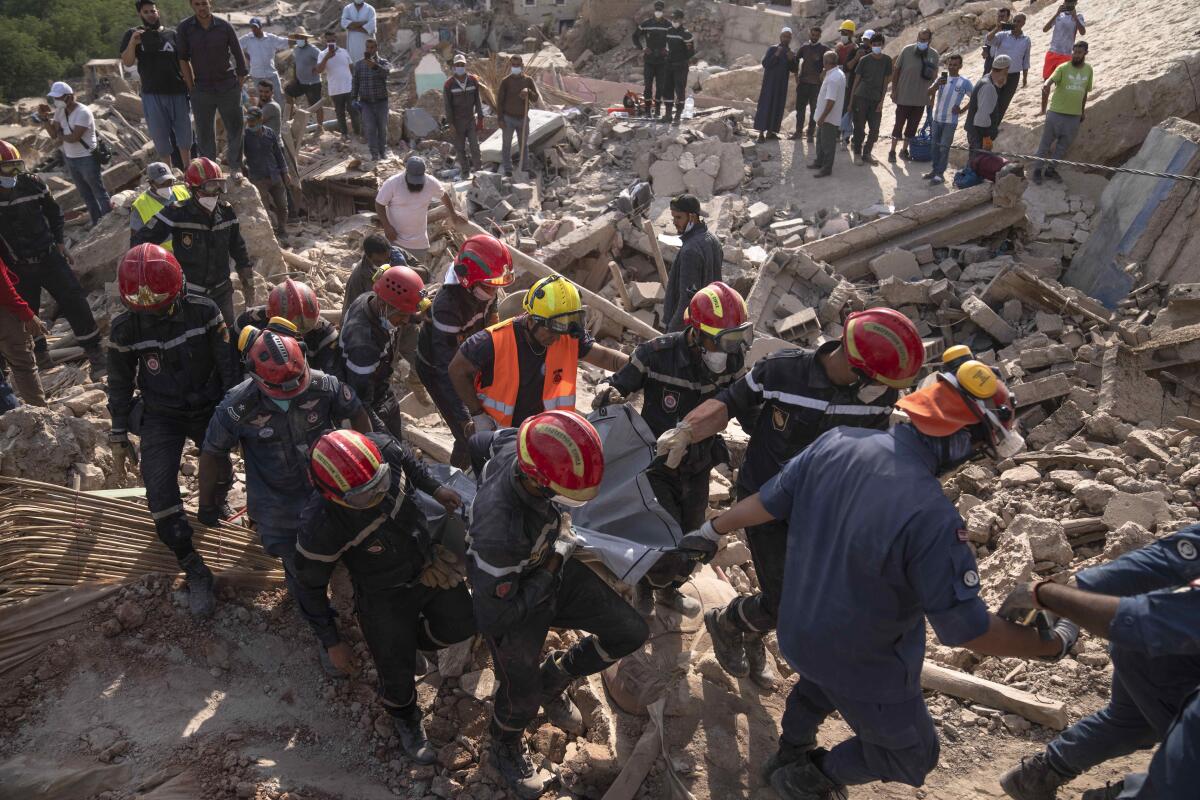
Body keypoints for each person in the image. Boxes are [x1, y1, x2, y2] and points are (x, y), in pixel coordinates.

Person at [675, 366, 1077, 799]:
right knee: (913, 756)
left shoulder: (837, 443)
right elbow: (967, 631)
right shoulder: (933, 519)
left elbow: (768, 502)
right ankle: (804, 778)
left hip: (798, 631)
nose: (974, 457)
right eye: (978, 447)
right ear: (958, 438)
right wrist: (1051, 645)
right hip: (865, 663)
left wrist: (712, 529)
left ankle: (790, 749)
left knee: (816, 687)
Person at [657, 308, 925, 690]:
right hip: (763, 498)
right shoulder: (782, 372)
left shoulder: (878, 395)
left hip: (820, 506)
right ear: (854, 361)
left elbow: (868, 454)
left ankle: (746, 628)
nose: (884, 391)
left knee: (812, 595)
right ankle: (731, 623)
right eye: (878, 381)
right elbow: (729, 403)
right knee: (786, 598)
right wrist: (687, 431)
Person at [466, 411, 649, 797]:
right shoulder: (499, 530)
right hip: (518, 600)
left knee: (629, 631)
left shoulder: (521, 443)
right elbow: (496, 617)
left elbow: (476, 441)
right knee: (520, 692)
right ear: (534, 479)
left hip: (549, 566)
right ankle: (503, 744)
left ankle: (557, 675)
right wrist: (552, 564)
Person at [294, 429, 474, 763]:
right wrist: (330, 640)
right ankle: (405, 717)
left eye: (381, 483)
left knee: (462, 623)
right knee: (394, 667)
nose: (379, 495)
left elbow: (410, 463)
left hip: (427, 566)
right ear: (332, 494)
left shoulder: (384, 449)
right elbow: (308, 586)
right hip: (382, 595)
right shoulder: (322, 527)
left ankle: (417, 640)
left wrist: (436, 488)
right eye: (364, 495)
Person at [198, 323, 371, 663]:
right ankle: (327, 639)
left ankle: (367, 618)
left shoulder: (325, 386)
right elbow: (211, 452)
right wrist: (209, 501)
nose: (293, 392)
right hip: (279, 507)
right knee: (302, 573)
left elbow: (359, 417)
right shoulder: (237, 407)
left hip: (330, 495)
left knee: (355, 558)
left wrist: (368, 463)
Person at [997, 525, 1200, 800]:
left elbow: (1143, 571)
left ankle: (1034, 776)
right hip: (1160, 645)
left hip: (1145, 647)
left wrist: (1049, 596)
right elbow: (1145, 588)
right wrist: (1052, 597)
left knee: (1132, 721)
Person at [596, 281, 750, 614]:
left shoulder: (733, 361)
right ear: (696, 331)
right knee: (659, 532)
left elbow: (743, 404)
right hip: (657, 463)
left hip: (698, 462)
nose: (729, 348)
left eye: (735, 338)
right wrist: (608, 391)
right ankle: (645, 589)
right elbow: (619, 386)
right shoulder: (655, 355)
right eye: (722, 340)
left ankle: (670, 590)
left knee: (693, 534)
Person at [106, 243, 238, 615]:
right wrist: (119, 432)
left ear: (177, 289)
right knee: (159, 493)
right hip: (161, 415)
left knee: (220, 468)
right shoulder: (125, 329)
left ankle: (215, 502)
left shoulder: (204, 311)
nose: (157, 314)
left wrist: (233, 415)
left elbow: (226, 364)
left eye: (162, 306)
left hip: (208, 406)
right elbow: (118, 382)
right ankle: (194, 568)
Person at [451, 275, 628, 435]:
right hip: (498, 437)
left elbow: (607, 358)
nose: (557, 338)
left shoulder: (567, 337)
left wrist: (639, 362)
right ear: (531, 320)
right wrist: (478, 415)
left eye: (562, 330)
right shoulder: (492, 341)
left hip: (545, 435)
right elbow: (457, 370)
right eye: (551, 331)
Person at [0, 140, 106, 375]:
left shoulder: (32, 184)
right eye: (8, 168)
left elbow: (54, 212)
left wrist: (59, 242)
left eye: (18, 167)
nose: (14, 174)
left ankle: (95, 353)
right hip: (18, 266)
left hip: (49, 257)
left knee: (75, 301)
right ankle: (41, 358)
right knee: (28, 314)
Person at [415, 234, 510, 469]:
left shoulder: (484, 287)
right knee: (467, 434)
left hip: (467, 353)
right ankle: (460, 473)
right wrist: (466, 416)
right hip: (437, 367)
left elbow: (491, 311)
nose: (493, 291)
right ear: (469, 282)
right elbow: (448, 371)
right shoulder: (448, 307)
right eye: (489, 286)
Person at [133, 157, 254, 327]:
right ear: (193, 188)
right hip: (191, 294)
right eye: (210, 186)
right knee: (196, 342)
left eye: (220, 186)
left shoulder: (226, 213)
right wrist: (156, 276)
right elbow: (140, 241)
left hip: (222, 292)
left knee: (228, 339)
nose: (215, 193)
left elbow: (238, 249)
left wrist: (248, 282)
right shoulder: (177, 213)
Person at [339, 264, 426, 438]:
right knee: (387, 448)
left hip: (381, 386)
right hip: (368, 395)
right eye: (401, 316)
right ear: (383, 305)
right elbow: (361, 403)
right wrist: (381, 438)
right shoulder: (363, 342)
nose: (405, 321)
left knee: (395, 436)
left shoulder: (370, 299)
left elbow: (405, 314)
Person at [120, 0, 192, 170]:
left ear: (157, 12)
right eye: (146, 12)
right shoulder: (134, 34)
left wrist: (191, 86)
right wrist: (132, 43)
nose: (150, 15)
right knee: (160, 137)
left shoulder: (172, 35)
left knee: (185, 135)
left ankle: (188, 169)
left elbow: (184, 62)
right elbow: (127, 62)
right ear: (140, 14)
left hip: (177, 91)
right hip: (152, 94)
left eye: (153, 11)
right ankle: (168, 172)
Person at [179, 0, 248, 175]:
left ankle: (234, 167)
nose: (201, 7)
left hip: (227, 86)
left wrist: (238, 85)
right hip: (201, 89)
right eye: (197, 4)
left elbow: (239, 57)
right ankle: (210, 171)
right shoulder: (185, 28)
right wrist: (191, 87)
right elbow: (183, 59)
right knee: (204, 133)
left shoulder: (224, 26)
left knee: (235, 128)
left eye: (204, 3)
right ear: (191, 6)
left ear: (211, 4)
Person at [37, 82, 111, 226]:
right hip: (70, 158)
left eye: (59, 98)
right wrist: (45, 118)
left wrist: (59, 132)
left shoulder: (83, 112)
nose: (56, 101)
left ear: (69, 97)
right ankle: (97, 223)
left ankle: (109, 221)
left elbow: (73, 138)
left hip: (86, 158)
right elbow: (53, 135)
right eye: (54, 98)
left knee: (98, 192)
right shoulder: (60, 112)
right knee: (85, 194)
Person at [237, 278, 339, 373]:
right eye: (292, 332)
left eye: (305, 330)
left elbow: (331, 377)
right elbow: (231, 362)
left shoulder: (326, 336)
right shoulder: (250, 322)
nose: (300, 337)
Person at [375, 156, 461, 264]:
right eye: (412, 181)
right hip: (396, 240)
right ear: (406, 173)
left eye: (418, 181)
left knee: (416, 274)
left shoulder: (430, 182)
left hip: (419, 243)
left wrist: (452, 213)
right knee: (395, 273)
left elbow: (444, 195)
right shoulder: (393, 183)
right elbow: (379, 203)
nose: (415, 184)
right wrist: (387, 227)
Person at [1033, 42, 1091, 185]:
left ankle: (1050, 170)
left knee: (1063, 146)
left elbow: (1084, 93)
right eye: (1074, 52)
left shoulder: (1089, 70)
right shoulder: (1063, 68)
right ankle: (1037, 171)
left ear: (1085, 53)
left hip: (1074, 116)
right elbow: (1050, 80)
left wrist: (1082, 112)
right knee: (1045, 144)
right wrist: (1046, 85)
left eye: (1079, 52)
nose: (1076, 55)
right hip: (1056, 113)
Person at [662, 194, 722, 333]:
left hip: (689, 328)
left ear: (692, 217)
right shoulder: (713, 239)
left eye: (678, 217)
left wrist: (671, 333)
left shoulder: (690, 251)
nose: (674, 222)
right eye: (673, 217)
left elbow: (687, 301)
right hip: (709, 322)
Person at [0, 253, 46, 406]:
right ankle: (40, 415)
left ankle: (8, 420)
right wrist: (26, 313)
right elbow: (3, 287)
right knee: (23, 365)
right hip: (4, 313)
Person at [887, 28, 938, 164]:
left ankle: (904, 150)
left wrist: (932, 97)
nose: (922, 42)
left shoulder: (934, 55)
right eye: (920, 39)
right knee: (899, 124)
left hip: (921, 98)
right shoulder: (907, 51)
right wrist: (894, 90)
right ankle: (892, 151)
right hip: (904, 96)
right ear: (917, 38)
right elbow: (896, 71)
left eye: (925, 40)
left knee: (912, 127)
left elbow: (935, 78)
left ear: (930, 41)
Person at [241, 106, 290, 242]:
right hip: (258, 178)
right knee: (264, 209)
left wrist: (285, 172)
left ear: (260, 119)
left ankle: (282, 230)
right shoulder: (244, 136)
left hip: (275, 175)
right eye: (249, 121)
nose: (251, 124)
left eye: (253, 121)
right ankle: (271, 236)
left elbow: (278, 154)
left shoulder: (270, 133)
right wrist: (244, 170)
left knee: (282, 205)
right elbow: (239, 156)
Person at [924, 53, 972, 185]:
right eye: (950, 64)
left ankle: (940, 174)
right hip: (937, 119)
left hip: (950, 122)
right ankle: (934, 171)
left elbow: (974, 98)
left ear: (960, 66)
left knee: (944, 148)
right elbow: (928, 92)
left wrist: (962, 110)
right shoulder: (943, 77)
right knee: (934, 147)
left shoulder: (965, 82)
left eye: (955, 65)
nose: (951, 67)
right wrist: (935, 85)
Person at [849, 32, 892, 166]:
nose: (876, 47)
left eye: (879, 44)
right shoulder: (864, 60)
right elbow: (856, 82)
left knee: (874, 130)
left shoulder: (887, 61)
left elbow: (885, 83)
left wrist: (881, 101)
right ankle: (857, 153)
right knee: (859, 128)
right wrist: (851, 102)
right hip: (861, 97)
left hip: (876, 99)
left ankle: (867, 153)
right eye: (874, 44)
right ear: (871, 45)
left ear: (883, 45)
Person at [496, 55, 540, 177]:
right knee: (506, 144)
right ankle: (508, 169)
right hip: (508, 118)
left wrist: (528, 91)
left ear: (522, 65)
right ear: (510, 66)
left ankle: (525, 168)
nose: (515, 67)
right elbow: (499, 101)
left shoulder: (528, 80)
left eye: (517, 65)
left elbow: (535, 98)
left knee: (524, 145)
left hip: (523, 118)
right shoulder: (506, 81)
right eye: (513, 65)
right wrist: (500, 118)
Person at [985, 12, 1030, 130]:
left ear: (1024, 23)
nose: (1016, 23)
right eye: (1014, 21)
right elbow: (988, 40)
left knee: (1004, 102)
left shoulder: (1026, 40)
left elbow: (1026, 60)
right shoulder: (1002, 35)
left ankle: (994, 127)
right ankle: (985, 125)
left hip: (1014, 76)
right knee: (992, 99)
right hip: (997, 74)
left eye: (1019, 21)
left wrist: (1025, 77)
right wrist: (996, 28)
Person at [350, 38, 391, 161]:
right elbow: (355, 82)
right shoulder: (359, 64)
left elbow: (386, 73)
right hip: (366, 103)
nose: (370, 50)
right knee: (370, 129)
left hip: (381, 102)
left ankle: (382, 152)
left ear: (376, 48)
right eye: (367, 47)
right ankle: (374, 154)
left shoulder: (383, 62)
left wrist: (374, 66)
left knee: (382, 128)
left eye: (372, 47)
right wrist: (353, 98)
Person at [130, 162, 191, 246]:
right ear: (151, 183)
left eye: (170, 181)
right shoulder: (140, 206)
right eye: (162, 184)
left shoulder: (183, 190)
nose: (167, 186)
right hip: (167, 255)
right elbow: (136, 241)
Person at [443, 54, 484, 179]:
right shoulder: (449, 84)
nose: (460, 67)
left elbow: (478, 100)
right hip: (457, 122)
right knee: (460, 149)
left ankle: (479, 172)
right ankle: (465, 173)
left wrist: (480, 118)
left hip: (470, 120)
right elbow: (447, 106)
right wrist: (450, 124)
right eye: (457, 65)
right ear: (454, 67)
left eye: (462, 64)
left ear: (465, 65)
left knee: (475, 147)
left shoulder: (473, 80)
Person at [807, 50, 846, 178]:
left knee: (827, 144)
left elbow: (831, 101)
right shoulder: (834, 73)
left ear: (825, 62)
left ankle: (826, 168)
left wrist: (823, 117)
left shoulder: (834, 78)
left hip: (828, 118)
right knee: (820, 142)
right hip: (825, 116)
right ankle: (819, 162)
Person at [964, 55, 1010, 155]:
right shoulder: (988, 87)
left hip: (975, 132)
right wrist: (987, 137)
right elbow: (982, 117)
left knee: (975, 163)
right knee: (977, 164)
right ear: (1004, 70)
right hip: (979, 135)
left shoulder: (986, 79)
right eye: (1007, 72)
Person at [632, 0, 671, 118]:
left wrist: (668, 50)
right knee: (648, 86)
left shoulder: (668, 24)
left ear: (662, 11)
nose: (658, 12)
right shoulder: (646, 23)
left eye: (660, 10)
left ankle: (658, 110)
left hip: (662, 61)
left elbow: (674, 39)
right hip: (649, 61)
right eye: (657, 10)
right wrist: (643, 48)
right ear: (654, 10)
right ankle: (648, 111)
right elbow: (635, 36)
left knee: (660, 87)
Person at [754, 27, 793, 142]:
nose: (786, 38)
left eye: (788, 37)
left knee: (777, 106)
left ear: (790, 39)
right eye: (784, 36)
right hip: (769, 85)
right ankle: (761, 134)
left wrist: (792, 60)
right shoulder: (772, 49)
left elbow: (794, 69)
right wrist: (776, 54)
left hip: (781, 86)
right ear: (780, 37)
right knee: (766, 106)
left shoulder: (790, 52)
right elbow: (766, 63)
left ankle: (771, 132)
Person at [790, 27, 828, 141]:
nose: (814, 37)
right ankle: (798, 132)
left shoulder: (824, 49)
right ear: (809, 35)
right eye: (813, 35)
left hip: (816, 85)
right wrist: (796, 76)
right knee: (800, 109)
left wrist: (824, 72)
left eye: (817, 35)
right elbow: (795, 62)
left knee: (814, 110)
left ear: (820, 36)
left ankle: (810, 134)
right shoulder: (804, 48)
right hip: (803, 83)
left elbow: (831, 61)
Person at [239, 18, 288, 103]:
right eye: (252, 27)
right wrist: (245, 55)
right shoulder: (247, 38)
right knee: (262, 97)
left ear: (261, 27)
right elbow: (235, 45)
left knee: (278, 95)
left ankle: (279, 115)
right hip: (257, 74)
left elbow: (284, 42)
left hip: (271, 73)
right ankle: (264, 115)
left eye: (256, 27)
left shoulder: (270, 38)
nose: (254, 29)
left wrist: (299, 41)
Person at [317, 30, 355, 137]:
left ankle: (357, 133)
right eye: (328, 41)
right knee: (340, 113)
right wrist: (327, 57)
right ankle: (344, 135)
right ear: (325, 41)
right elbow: (319, 70)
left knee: (353, 111)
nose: (331, 43)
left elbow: (351, 67)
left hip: (349, 87)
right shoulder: (322, 54)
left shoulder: (344, 52)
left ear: (336, 40)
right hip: (335, 89)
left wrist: (355, 82)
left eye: (332, 40)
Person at [284, 27, 323, 127]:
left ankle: (319, 127)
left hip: (312, 83)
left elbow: (323, 58)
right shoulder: (296, 49)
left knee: (315, 106)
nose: (299, 39)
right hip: (301, 82)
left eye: (301, 37)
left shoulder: (312, 49)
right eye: (297, 37)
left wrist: (318, 68)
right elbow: (296, 64)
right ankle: (291, 116)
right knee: (288, 91)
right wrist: (294, 78)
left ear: (305, 38)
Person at [661, 9, 695, 124]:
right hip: (669, 65)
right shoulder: (668, 31)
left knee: (680, 90)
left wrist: (681, 59)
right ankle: (668, 114)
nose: (674, 21)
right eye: (673, 19)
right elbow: (666, 46)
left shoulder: (686, 34)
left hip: (680, 67)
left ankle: (678, 116)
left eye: (676, 19)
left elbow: (690, 52)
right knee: (667, 89)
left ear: (681, 20)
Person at [838, 25, 870, 144]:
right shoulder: (855, 50)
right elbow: (847, 67)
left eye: (868, 41)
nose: (866, 43)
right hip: (851, 86)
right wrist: (857, 57)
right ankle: (844, 136)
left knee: (861, 115)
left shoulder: (874, 54)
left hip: (866, 90)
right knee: (847, 110)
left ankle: (857, 139)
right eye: (865, 40)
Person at [1042, 1, 1085, 80]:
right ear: (1064, 2)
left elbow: (1082, 32)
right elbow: (1045, 29)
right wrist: (1056, 14)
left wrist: (1075, 17)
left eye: (1071, 2)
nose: (1069, 4)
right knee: (1046, 81)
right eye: (1067, 1)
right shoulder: (1059, 15)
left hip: (1066, 54)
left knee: (1062, 82)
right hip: (1052, 52)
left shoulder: (1079, 16)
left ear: (1075, 3)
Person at [981, 7, 1011, 74]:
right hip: (990, 63)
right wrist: (985, 52)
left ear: (1008, 17)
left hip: (1003, 63)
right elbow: (987, 43)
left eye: (1002, 16)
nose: (1000, 18)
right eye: (999, 16)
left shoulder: (1011, 32)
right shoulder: (994, 30)